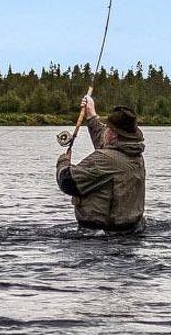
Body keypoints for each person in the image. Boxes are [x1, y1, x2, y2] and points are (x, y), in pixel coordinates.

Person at [55, 91, 146, 233]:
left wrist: (63, 161)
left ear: (113, 134)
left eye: (107, 127)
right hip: (131, 230)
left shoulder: (105, 160)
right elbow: (105, 143)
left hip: (100, 236)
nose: (105, 130)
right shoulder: (133, 153)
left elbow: (67, 181)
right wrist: (91, 114)